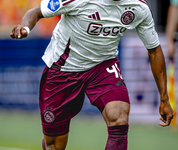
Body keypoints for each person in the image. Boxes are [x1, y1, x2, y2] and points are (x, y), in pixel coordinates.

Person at [10, 0, 174, 149]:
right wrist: (24, 28)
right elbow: (36, 12)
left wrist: (164, 99)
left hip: (103, 66)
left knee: (119, 116)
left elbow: (154, 50)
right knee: (55, 145)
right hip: (64, 68)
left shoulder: (139, 7)